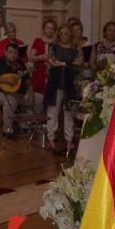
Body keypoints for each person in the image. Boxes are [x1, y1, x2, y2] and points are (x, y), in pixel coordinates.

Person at [46, 23, 84, 154]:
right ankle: (51, 138)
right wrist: (66, 64)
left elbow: (79, 63)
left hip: (69, 84)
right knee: (53, 112)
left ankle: (69, 140)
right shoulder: (53, 47)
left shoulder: (76, 49)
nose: (63, 36)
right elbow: (52, 61)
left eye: (66, 33)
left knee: (69, 113)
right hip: (55, 83)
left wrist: (64, 64)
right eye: (61, 33)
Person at [0, 42, 29, 138]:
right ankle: (7, 130)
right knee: (10, 100)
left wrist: (30, 93)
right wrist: (5, 80)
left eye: (15, 53)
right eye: (10, 52)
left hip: (18, 93)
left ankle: (24, 127)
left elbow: (27, 79)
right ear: (5, 53)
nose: (13, 55)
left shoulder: (20, 63)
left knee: (38, 99)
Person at [28, 17, 57, 114]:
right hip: (39, 72)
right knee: (36, 100)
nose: (49, 30)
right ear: (44, 29)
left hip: (52, 73)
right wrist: (41, 57)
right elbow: (31, 57)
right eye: (47, 28)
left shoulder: (56, 43)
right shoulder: (38, 41)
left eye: (52, 28)